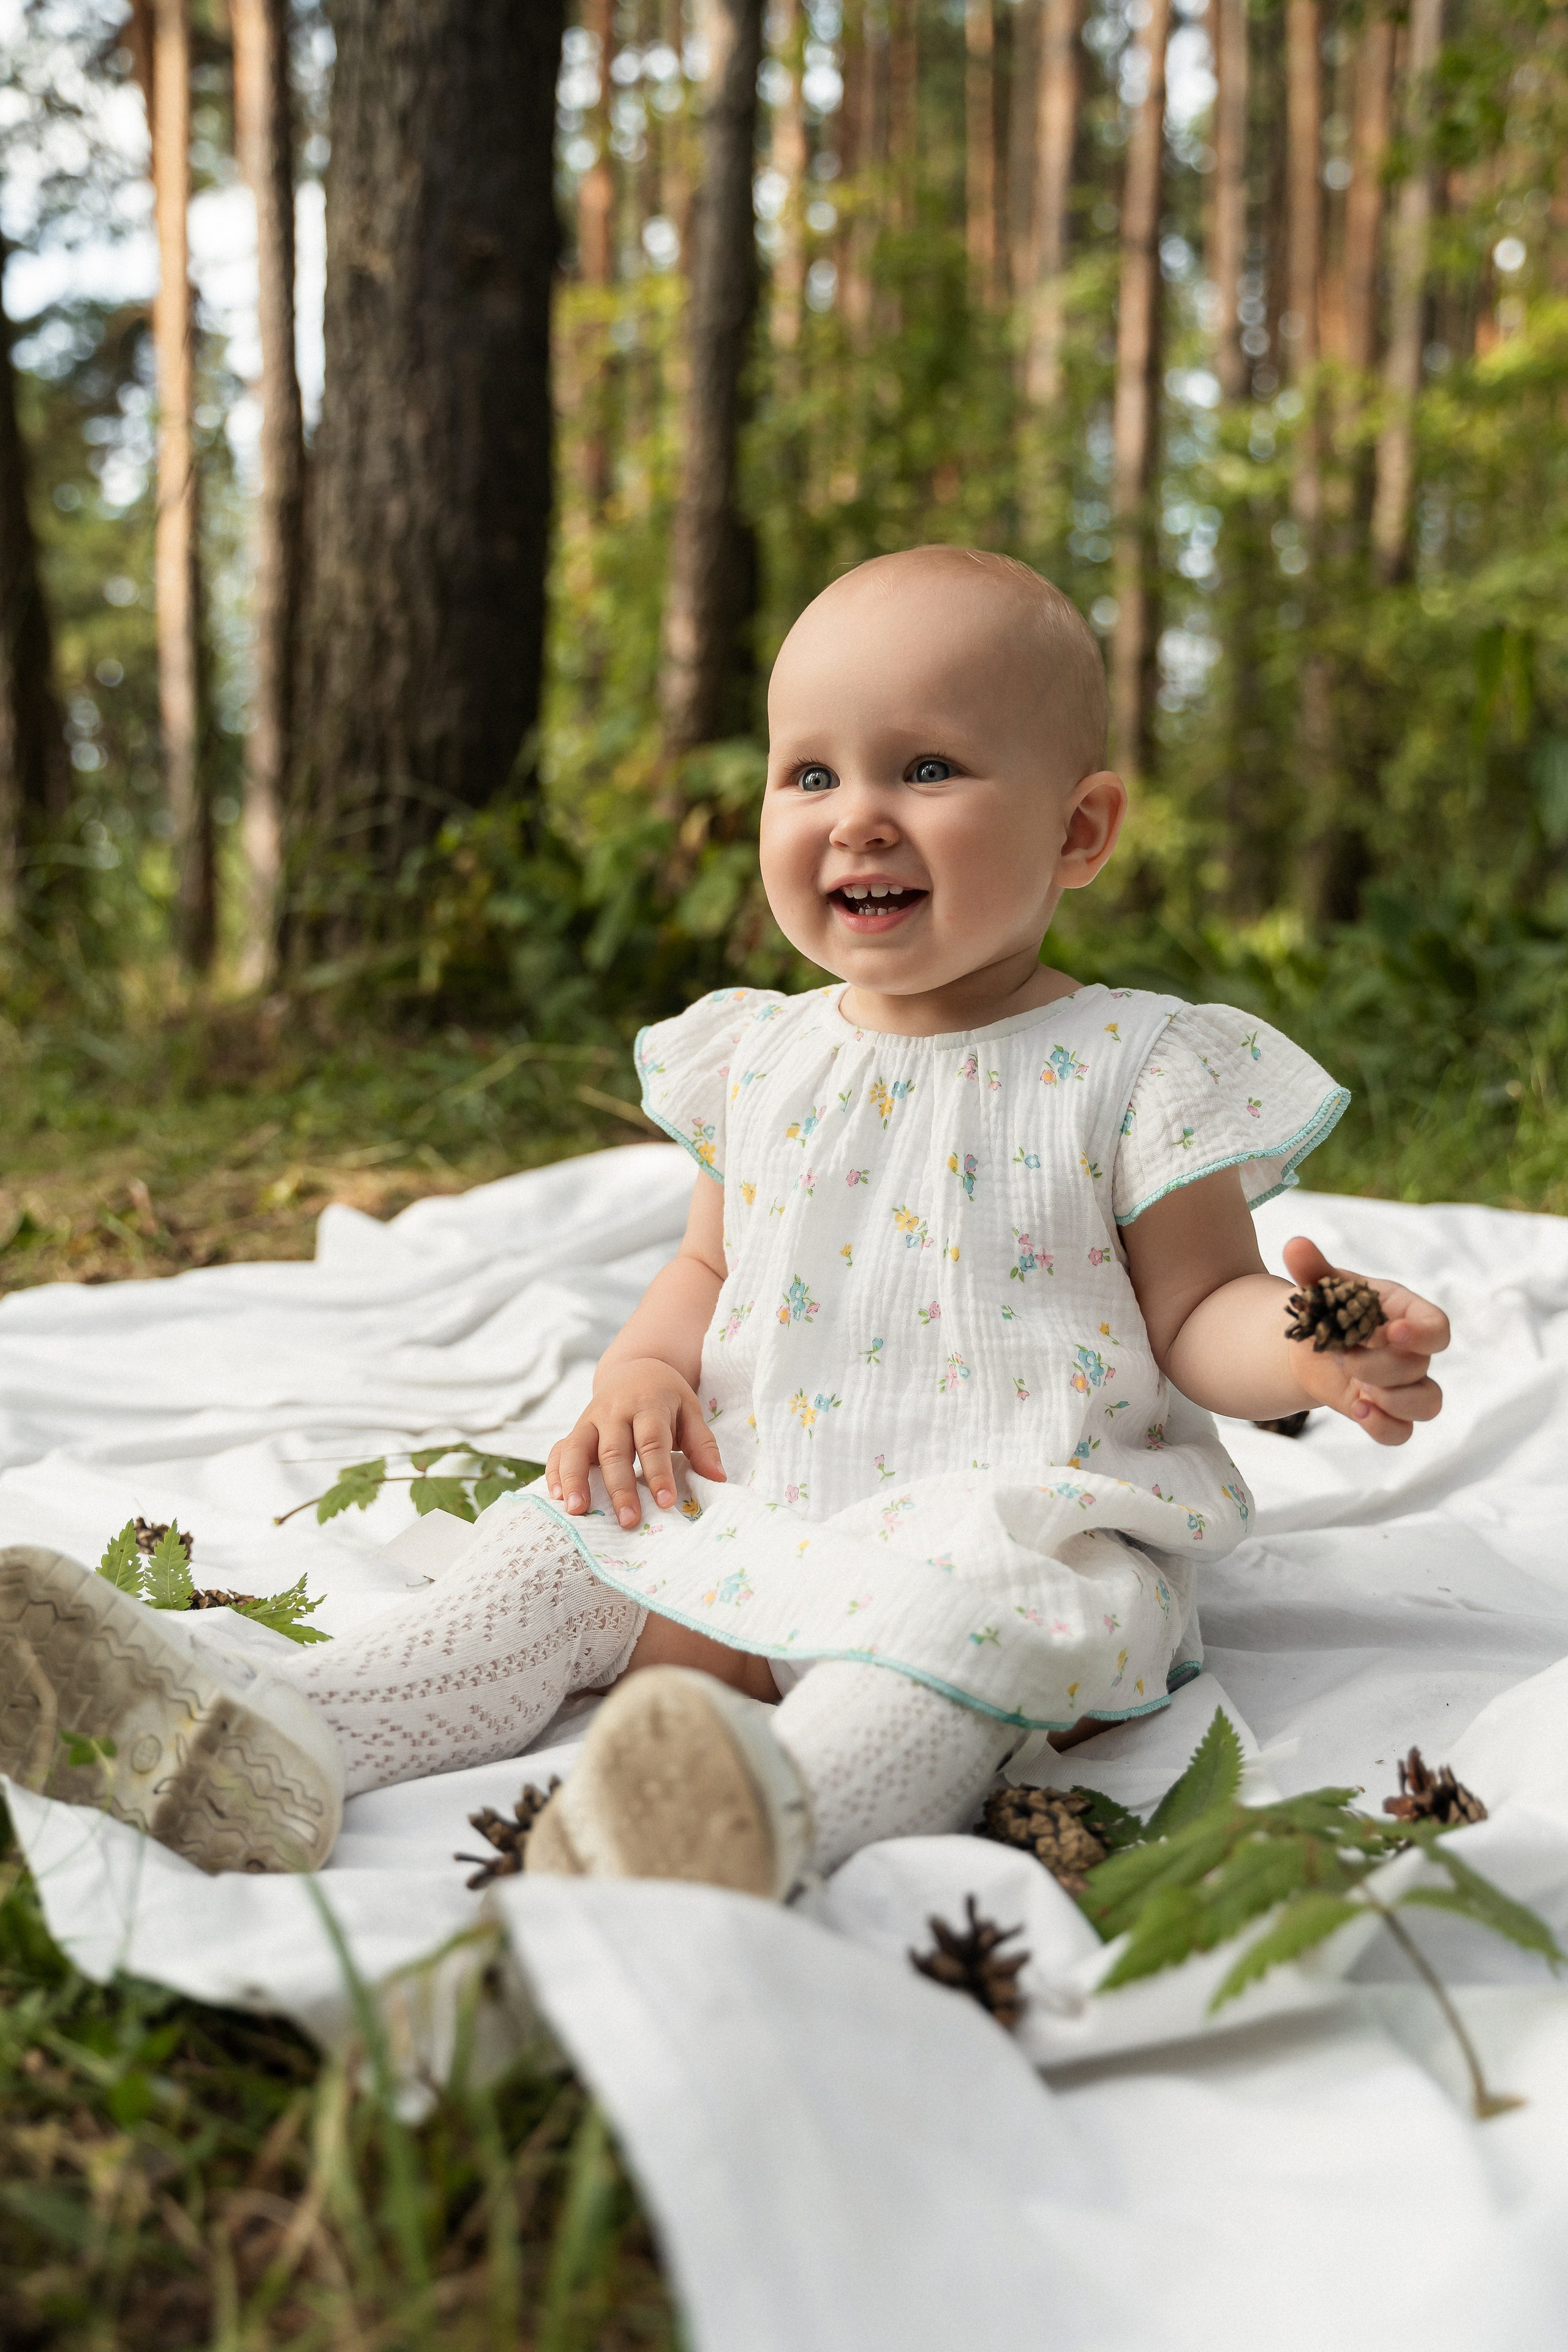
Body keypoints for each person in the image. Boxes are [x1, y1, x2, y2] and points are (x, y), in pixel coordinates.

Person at [0, 548, 1450, 1893]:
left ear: (1077, 830)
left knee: (944, 1659)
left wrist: (1315, 1348)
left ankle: (742, 1825)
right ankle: (267, 1734)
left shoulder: (1131, 1064)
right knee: (541, 1559)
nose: (854, 815)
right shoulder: (757, 1054)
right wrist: (639, 1374)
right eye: (808, 773)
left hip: (1000, 1519)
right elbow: (710, 1261)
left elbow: (1198, 1311)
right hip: (753, 1494)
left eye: (926, 766)